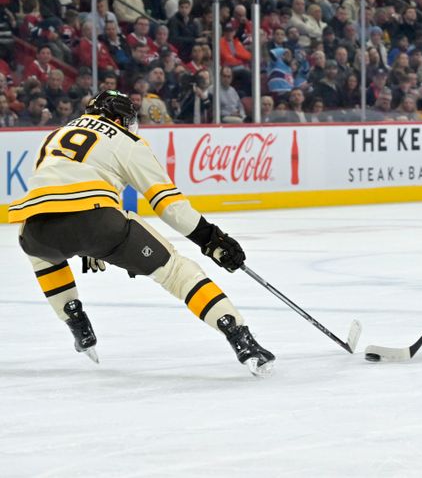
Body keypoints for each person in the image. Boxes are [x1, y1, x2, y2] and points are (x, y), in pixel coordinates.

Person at [9, 91, 274, 377]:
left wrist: (86, 246)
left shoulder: (55, 135)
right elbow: (169, 206)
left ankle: (76, 322)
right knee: (175, 272)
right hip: (98, 221)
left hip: (34, 226)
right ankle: (241, 338)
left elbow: (56, 195)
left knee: (42, 254)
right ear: (118, 117)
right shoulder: (127, 141)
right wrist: (211, 239)